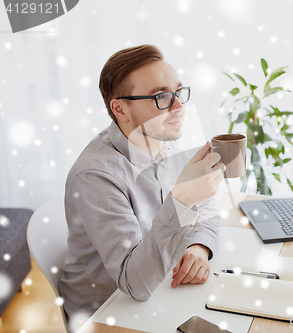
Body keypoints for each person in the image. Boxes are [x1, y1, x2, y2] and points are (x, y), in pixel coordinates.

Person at [58, 44, 225, 331]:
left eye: (178, 92)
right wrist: (183, 199)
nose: (179, 107)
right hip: (108, 313)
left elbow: (206, 204)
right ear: (120, 108)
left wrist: (198, 249)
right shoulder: (95, 176)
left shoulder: (165, 136)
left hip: (159, 286)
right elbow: (134, 284)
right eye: (161, 97)